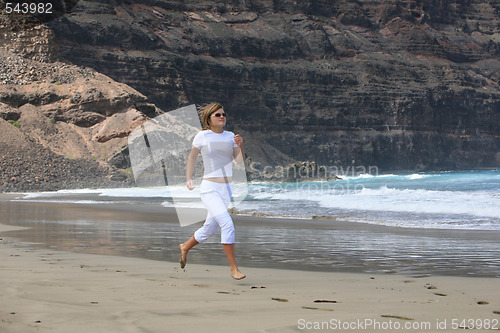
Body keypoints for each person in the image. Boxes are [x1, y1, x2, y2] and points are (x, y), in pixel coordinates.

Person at [178, 102, 246, 280]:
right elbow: (192, 158)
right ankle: (234, 269)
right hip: (209, 188)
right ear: (209, 118)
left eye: (223, 114)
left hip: (227, 188)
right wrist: (188, 178)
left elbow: (239, 162)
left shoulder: (231, 136)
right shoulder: (202, 136)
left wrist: (240, 145)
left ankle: (185, 247)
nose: (222, 117)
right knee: (227, 224)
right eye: (218, 115)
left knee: (210, 227)